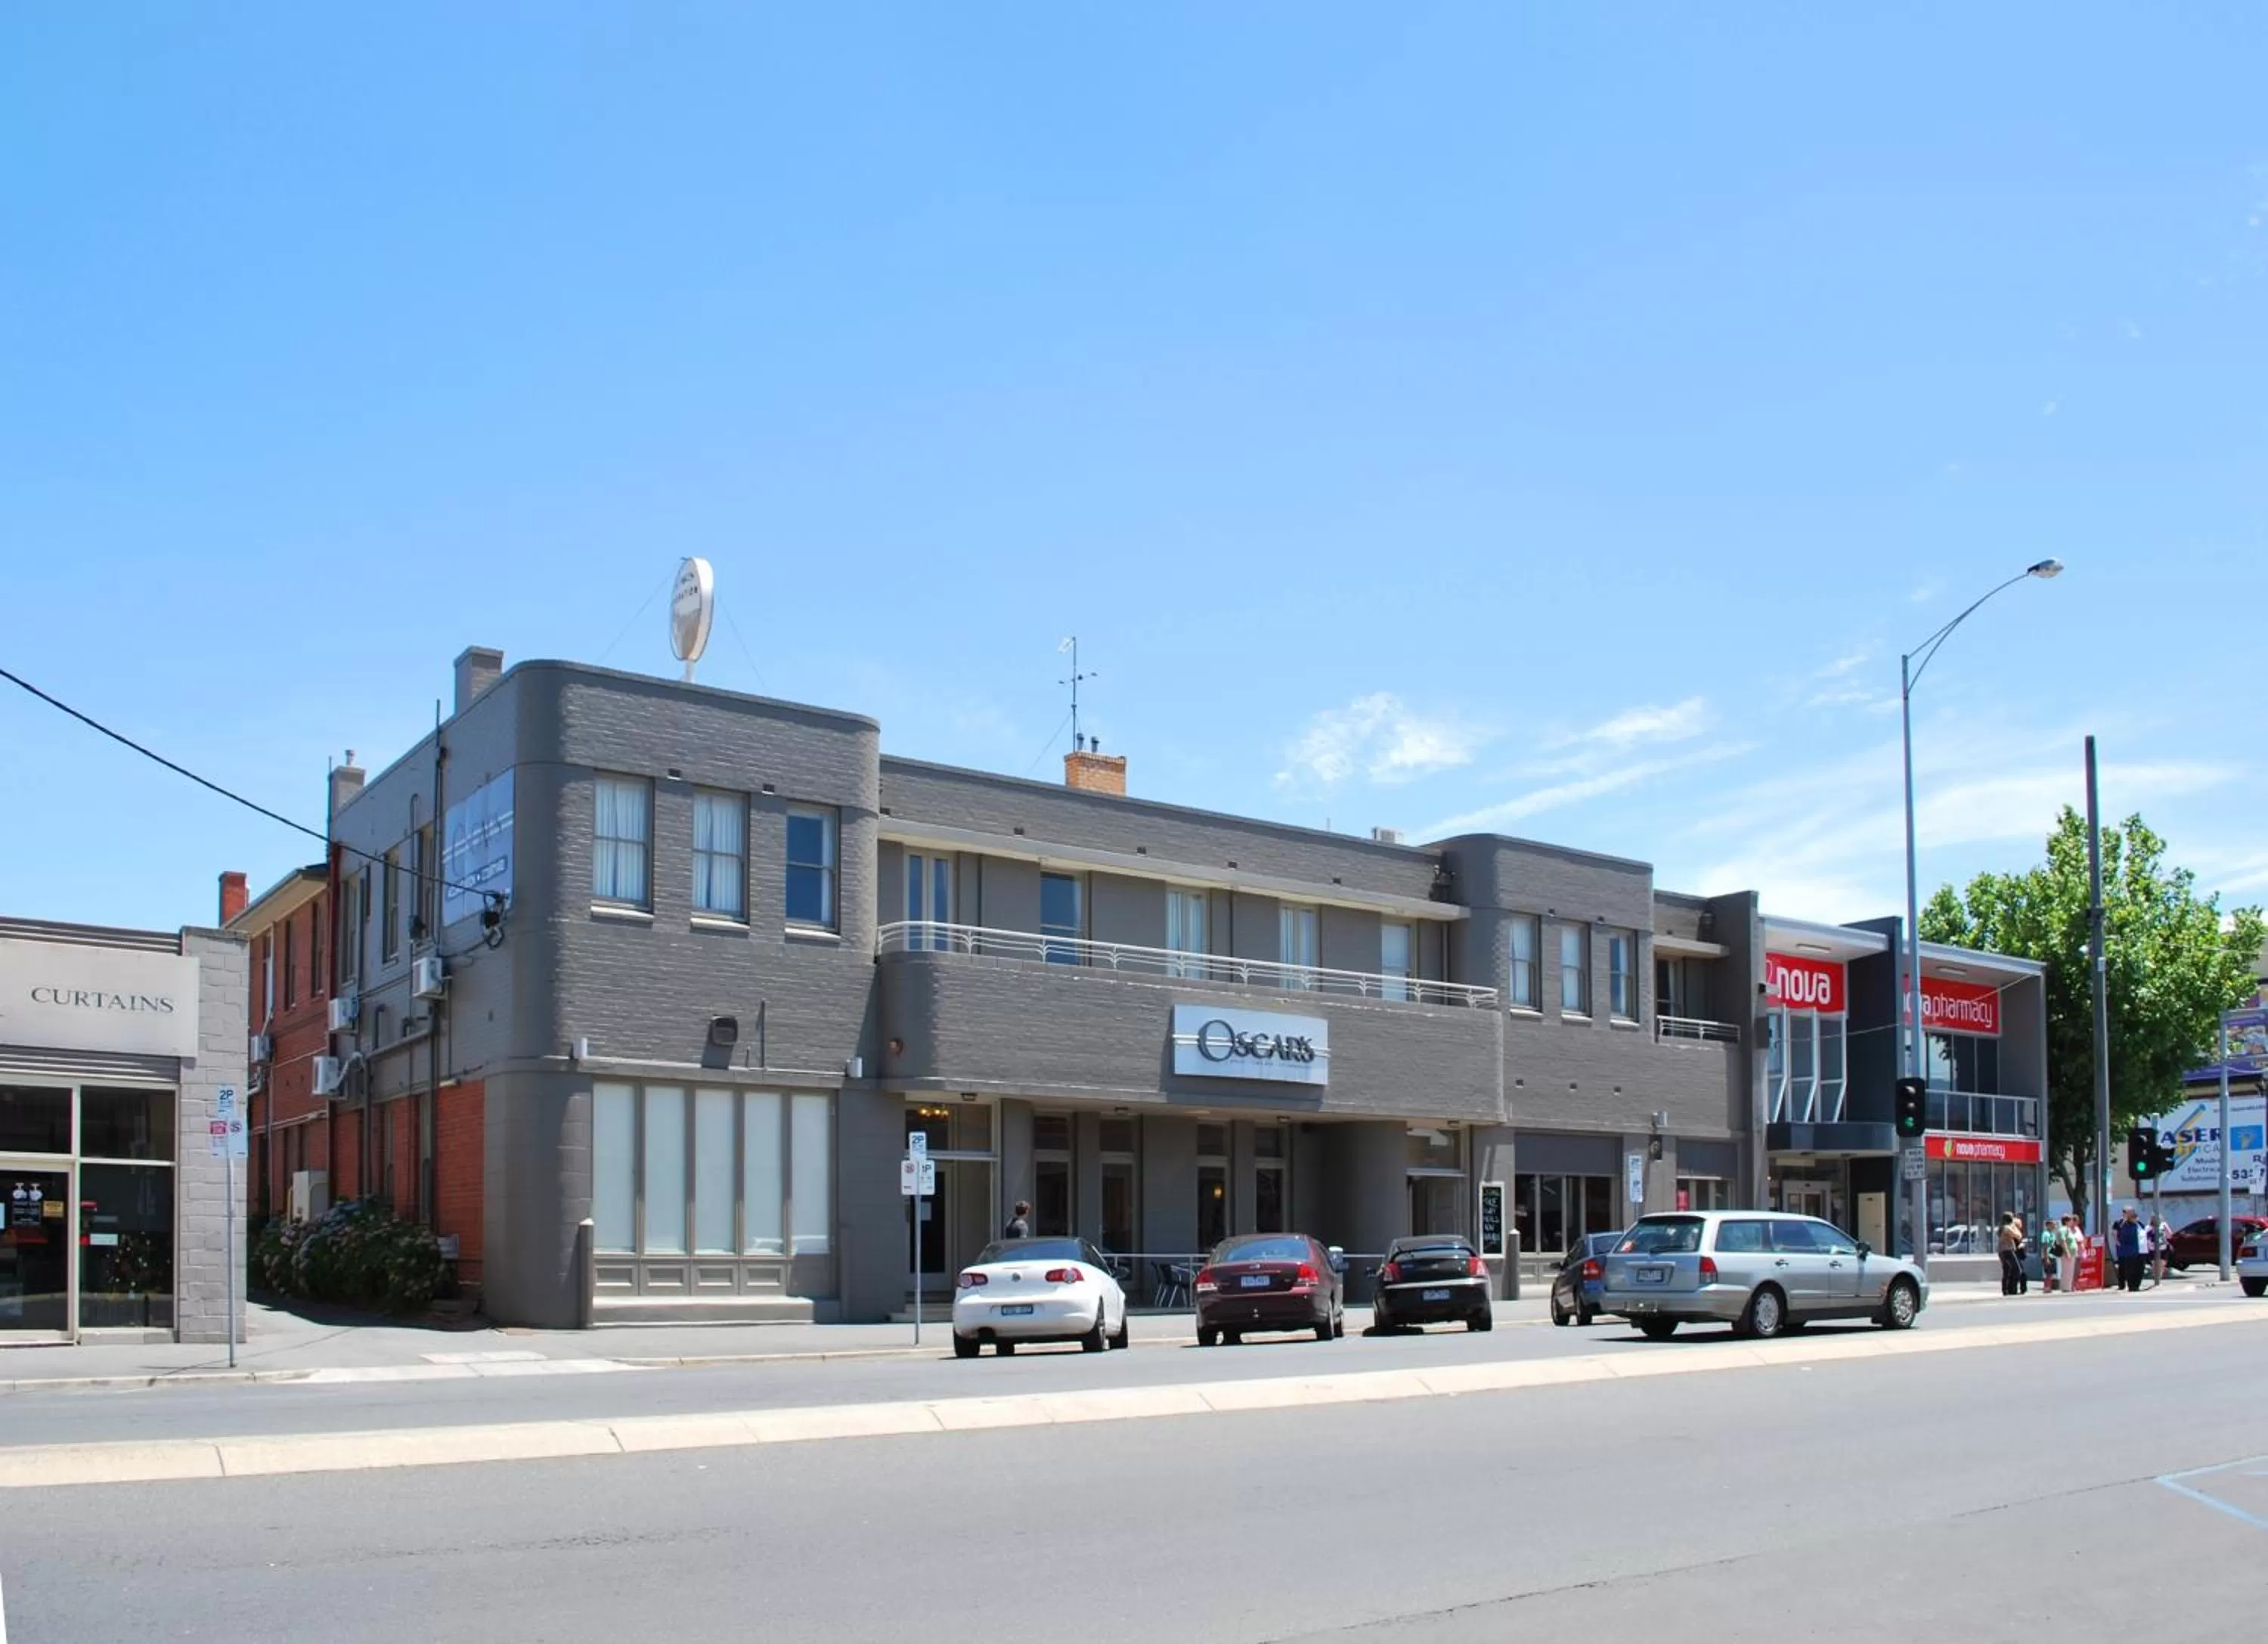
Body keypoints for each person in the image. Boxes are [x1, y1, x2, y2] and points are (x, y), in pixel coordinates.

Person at [2112, 1204, 2147, 1292]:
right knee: (2128, 1268)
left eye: (2133, 1212)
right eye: (2130, 1212)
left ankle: (2136, 1285)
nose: (2133, 1214)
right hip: (2129, 1250)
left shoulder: (2139, 1224)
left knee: (2140, 1268)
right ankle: (2129, 1286)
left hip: (2142, 1250)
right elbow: (2117, 1234)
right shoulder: (2122, 1224)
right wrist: (2118, 1243)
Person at [1996, 1212, 2022, 1296]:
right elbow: (2018, 1236)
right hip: (2008, 1251)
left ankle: (2006, 1290)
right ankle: (2012, 1289)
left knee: (2007, 1270)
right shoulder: (2007, 1228)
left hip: (2002, 1251)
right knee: (2017, 1270)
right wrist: (2015, 1227)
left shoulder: (2002, 1227)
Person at [2038, 1216, 2062, 1293]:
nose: (2054, 1226)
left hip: (2052, 1255)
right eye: (2053, 1224)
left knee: (2051, 1273)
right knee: (2048, 1273)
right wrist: (2046, 1258)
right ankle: (2046, 1287)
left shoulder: (2052, 1234)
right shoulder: (2045, 1234)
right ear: (2048, 1225)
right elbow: (2045, 1246)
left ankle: (2049, 1287)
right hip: (2047, 1256)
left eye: (2055, 1225)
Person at [2059, 1214, 2081, 1294]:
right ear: (2066, 1221)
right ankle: (2065, 1288)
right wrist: (2067, 1252)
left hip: (2072, 1253)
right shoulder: (2063, 1229)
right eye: (2070, 1220)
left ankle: (2068, 1287)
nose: (2072, 1222)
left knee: (2070, 1271)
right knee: (2067, 1270)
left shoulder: (2068, 1230)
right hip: (2067, 1253)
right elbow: (2063, 1241)